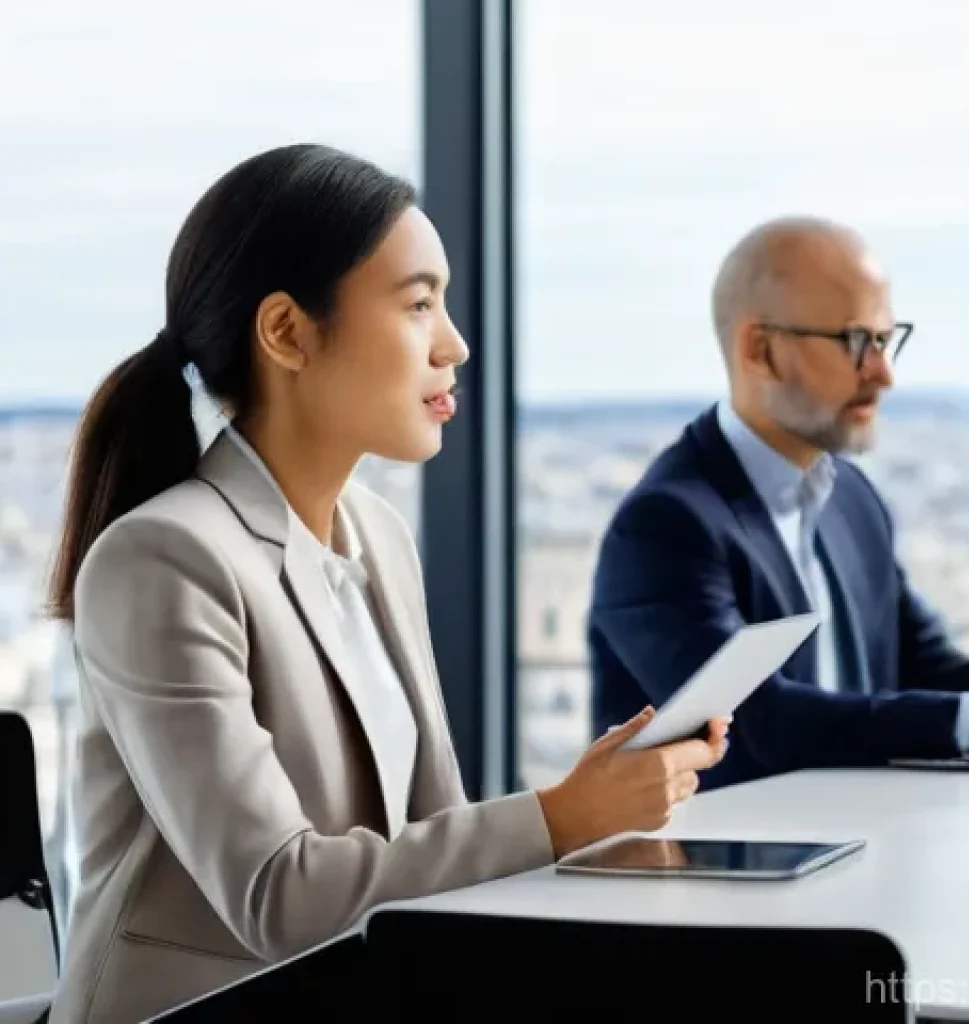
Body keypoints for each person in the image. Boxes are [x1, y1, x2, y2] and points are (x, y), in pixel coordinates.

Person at [44, 144, 729, 1024]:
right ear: (287, 331)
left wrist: (587, 832)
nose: (456, 343)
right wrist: (558, 819)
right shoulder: (164, 560)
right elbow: (280, 898)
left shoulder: (378, 535)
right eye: (417, 304)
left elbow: (429, 834)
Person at [587, 215, 969, 792]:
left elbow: (926, 662)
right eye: (855, 341)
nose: (884, 373)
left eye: (887, 340)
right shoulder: (666, 525)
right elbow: (759, 721)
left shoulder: (852, 498)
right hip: (720, 869)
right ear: (759, 349)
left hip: (862, 843)